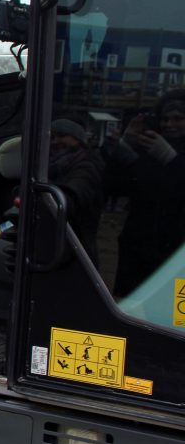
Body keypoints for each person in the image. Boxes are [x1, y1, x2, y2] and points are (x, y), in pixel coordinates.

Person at [105, 90, 185, 297]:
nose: (170, 125)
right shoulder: (150, 147)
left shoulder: (160, 149)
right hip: (138, 246)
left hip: (177, 253)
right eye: (165, 119)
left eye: (178, 119)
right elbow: (116, 186)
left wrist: (173, 160)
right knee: (132, 312)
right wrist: (124, 146)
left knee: (177, 317)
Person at [47, 118, 105, 267]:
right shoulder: (55, 166)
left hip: (76, 253)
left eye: (62, 135)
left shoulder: (86, 167)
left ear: (78, 139)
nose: (55, 141)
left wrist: (49, 198)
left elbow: (72, 199)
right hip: (60, 247)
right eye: (52, 137)